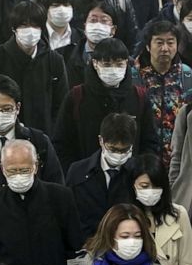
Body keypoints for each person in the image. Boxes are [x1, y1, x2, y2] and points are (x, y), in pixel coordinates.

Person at [0, 140, 82, 265]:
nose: (18, 176)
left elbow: (74, 246)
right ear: (2, 168)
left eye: (24, 170)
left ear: (35, 166)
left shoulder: (61, 197)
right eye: (12, 171)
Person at [53, 38, 160, 168]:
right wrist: (75, 174)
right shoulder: (77, 97)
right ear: (95, 63)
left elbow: (149, 142)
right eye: (107, 64)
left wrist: (141, 171)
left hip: (130, 176)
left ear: (127, 64)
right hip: (85, 177)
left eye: (119, 64)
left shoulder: (139, 97)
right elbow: (62, 143)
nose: (113, 69)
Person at [0, 76, 64, 197]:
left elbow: (56, 186)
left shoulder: (39, 141)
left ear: (17, 108)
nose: (0, 113)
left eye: (7, 109)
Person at [0, 1, 68, 135]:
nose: (30, 30)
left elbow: (61, 105)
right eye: (24, 25)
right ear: (14, 28)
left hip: (44, 136)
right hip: (4, 132)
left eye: (35, 25)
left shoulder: (54, 60)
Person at [66, 113, 142, 238]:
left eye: (124, 150)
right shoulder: (78, 172)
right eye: (113, 149)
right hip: (86, 245)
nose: (119, 155)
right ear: (101, 140)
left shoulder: (139, 172)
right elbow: (70, 216)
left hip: (126, 244)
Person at [132, 21, 192, 168]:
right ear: (147, 46)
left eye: (170, 42)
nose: (165, 48)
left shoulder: (187, 75)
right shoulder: (134, 76)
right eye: (159, 42)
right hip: (143, 160)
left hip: (179, 159)